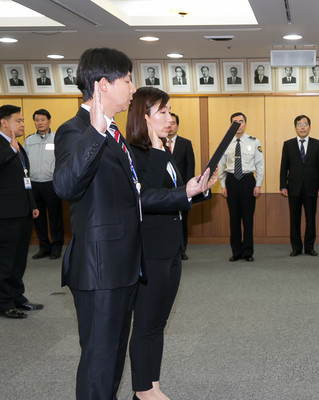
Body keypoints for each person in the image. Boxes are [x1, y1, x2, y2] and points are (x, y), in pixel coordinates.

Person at [53, 47, 214, 400]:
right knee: (99, 362)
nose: (131, 88)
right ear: (102, 85)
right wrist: (94, 134)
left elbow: (135, 197)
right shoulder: (76, 130)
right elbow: (65, 186)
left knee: (111, 362)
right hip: (100, 269)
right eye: (126, 80)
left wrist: (186, 192)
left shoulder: (113, 135)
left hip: (123, 266)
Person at [126, 87, 216, 400]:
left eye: (169, 112)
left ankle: (152, 386)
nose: (169, 119)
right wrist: (184, 191)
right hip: (150, 250)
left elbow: (173, 194)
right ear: (143, 117)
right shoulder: (134, 153)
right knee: (146, 324)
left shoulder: (163, 151)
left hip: (171, 248)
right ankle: (141, 390)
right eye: (161, 113)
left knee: (158, 323)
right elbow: (146, 197)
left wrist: (200, 189)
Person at [0, 104, 42, 319]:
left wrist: (32, 204)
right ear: (4, 122)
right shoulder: (6, 147)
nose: (23, 124)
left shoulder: (18, 146)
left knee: (19, 258)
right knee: (6, 259)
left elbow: (25, 179)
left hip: (23, 211)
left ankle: (17, 296)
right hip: (6, 214)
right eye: (18, 120)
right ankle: (4, 302)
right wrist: (10, 151)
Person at [218, 112, 264, 262]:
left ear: (245, 123)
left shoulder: (254, 141)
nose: (238, 124)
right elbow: (221, 165)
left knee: (248, 219)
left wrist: (258, 184)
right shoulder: (226, 142)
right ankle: (236, 252)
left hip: (247, 181)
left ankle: (248, 252)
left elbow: (260, 165)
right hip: (231, 181)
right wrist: (223, 184)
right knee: (234, 219)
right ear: (231, 125)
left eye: (241, 121)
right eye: (234, 122)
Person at [280, 115, 319, 257]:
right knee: (294, 219)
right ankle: (296, 248)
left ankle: (310, 247)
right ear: (295, 127)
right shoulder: (288, 144)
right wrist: (283, 186)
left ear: (309, 127)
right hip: (293, 187)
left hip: (311, 188)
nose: (302, 127)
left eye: (305, 124)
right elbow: (283, 167)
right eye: (299, 124)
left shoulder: (317, 144)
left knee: (310, 219)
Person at [23, 109, 64, 260]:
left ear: (49, 121)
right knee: (38, 217)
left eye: (42, 119)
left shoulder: (57, 138)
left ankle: (57, 246)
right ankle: (43, 246)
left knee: (55, 217)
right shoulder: (28, 140)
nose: (39, 122)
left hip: (51, 183)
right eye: (36, 120)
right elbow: (25, 162)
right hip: (34, 184)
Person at [166, 112, 196, 260]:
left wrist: (189, 191)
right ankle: (168, 249)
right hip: (163, 192)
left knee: (182, 221)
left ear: (177, 126)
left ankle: (182, 249)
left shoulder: (186, 143)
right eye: (168, 122)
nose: (170, 126)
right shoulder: (156, 142)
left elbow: (190, 168)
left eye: (173, 123)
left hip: (183, 191)